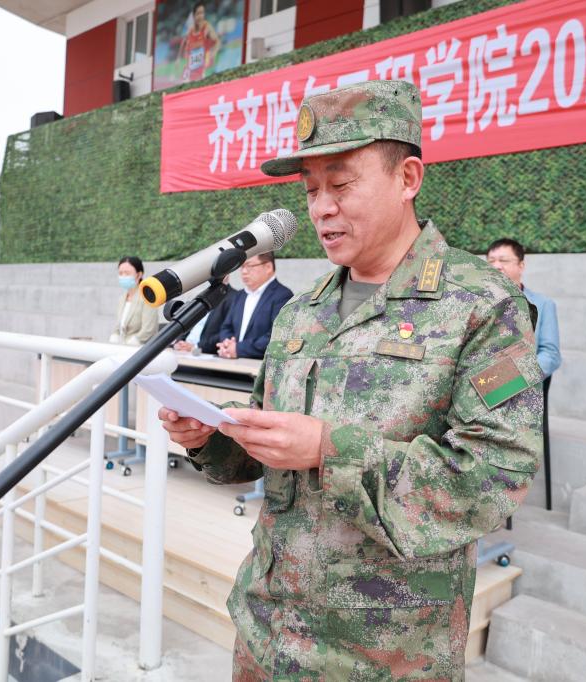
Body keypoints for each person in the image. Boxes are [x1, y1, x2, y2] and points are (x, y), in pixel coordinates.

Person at [159, 80, 543, 680]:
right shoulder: (301, 311)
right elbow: (264, 454)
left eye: (340, 186)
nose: (321, 209)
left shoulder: (481, 304)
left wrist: (327, 449)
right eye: (311, 190)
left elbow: (495, 476)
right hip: (268, 635)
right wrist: (213, 437)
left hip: (382, 656)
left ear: (407, 178)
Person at [487, 238, 561, 509]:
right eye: (491, 261)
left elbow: (550, 355)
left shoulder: (542, 304)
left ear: (521, 265)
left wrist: (511, 378)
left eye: (503, 261)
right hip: (482, 385)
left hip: (515, 389)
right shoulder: (480, 302)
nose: (496, 266)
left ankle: (494, 500)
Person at [216, 252, 293, 360]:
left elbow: (278, 336)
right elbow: (226, 327)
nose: (244, 271)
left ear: (268, 267)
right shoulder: (239, 296)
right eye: (242, 266)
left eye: (249, 266)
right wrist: (227, 344)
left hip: (260, 365)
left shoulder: (283, 295)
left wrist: (238, 349)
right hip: (231, 362)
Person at [173, 276, 238, 355]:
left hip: (203, 352)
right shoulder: (203, 294)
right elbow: (188, 321)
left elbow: (226, 333)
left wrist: (194, 347)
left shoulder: (235, 298)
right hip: (184, 349)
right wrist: (179, 342)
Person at [109, 256, 159, 345]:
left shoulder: (147, 297)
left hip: (142, 348)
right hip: (121, 347)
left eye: (127, 273)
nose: (123, 276)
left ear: (139, 275)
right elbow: (119, 326)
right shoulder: (122, 299)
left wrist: (133, 342)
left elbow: (149, 330)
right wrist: (114, 336)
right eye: (120, 273)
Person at [179, 2, 219, 84]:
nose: (201, 16)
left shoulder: (207, 27)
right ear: (194, 16)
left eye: (202, 13)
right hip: (191, 70)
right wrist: (182, 56)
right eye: (198, 13)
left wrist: (213, 53)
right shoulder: (190, 31)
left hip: (203, 69)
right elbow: (185, 45)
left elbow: (217, 42)